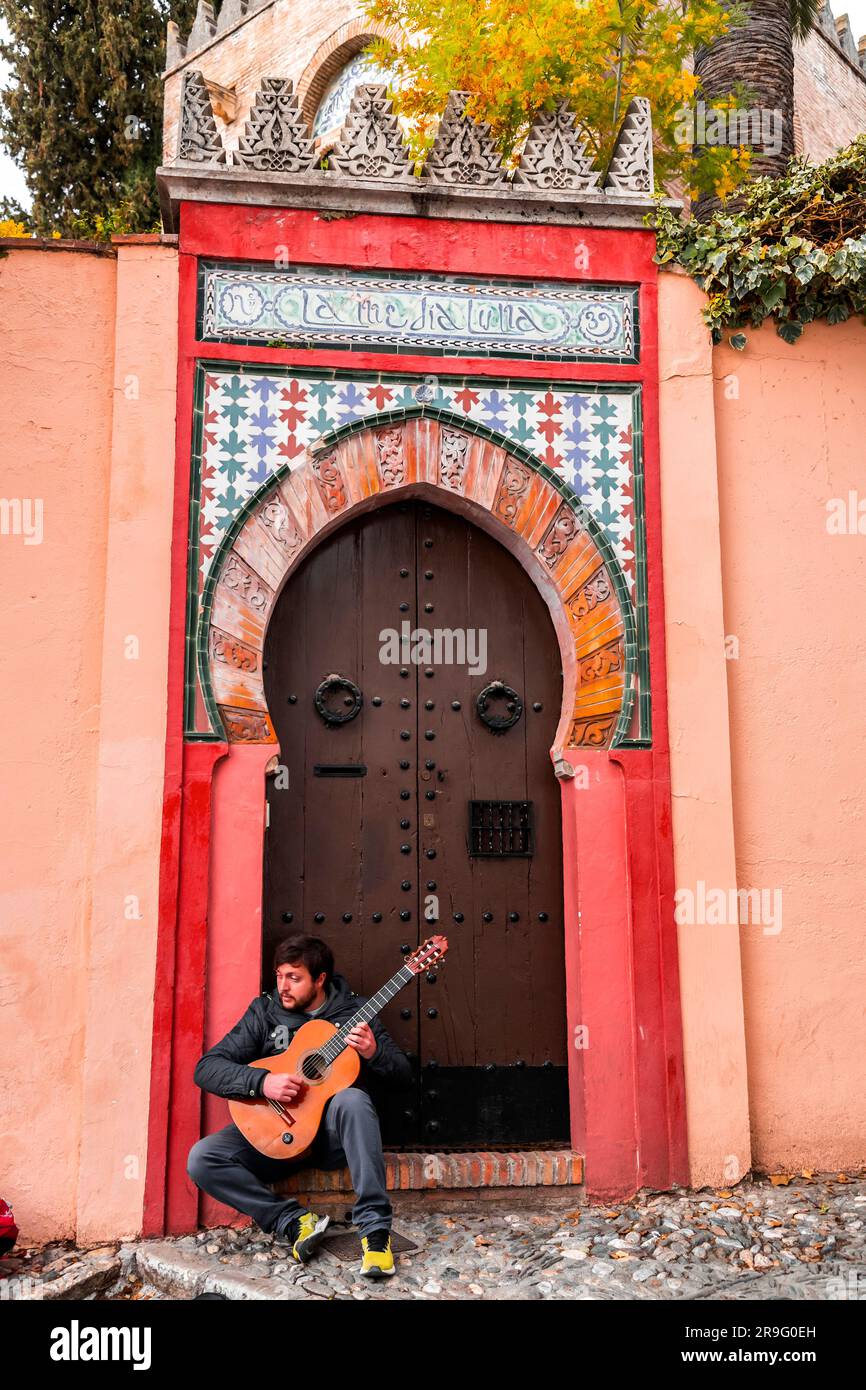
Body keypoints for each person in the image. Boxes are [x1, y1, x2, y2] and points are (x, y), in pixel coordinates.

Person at [187, 933, 413, 1280]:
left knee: (352, 1099)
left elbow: (402, 1077)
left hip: (328, 1139)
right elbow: (207, 1068)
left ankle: (375, 1234)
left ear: (320, 980)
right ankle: (292, 1221)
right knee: (202, 1158)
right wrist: (262, 1082)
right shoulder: (264, 1011)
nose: (283, 986)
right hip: (276, 1134)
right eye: (279, 975)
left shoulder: (355, 1012)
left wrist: (374, 1053)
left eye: (294, 977)